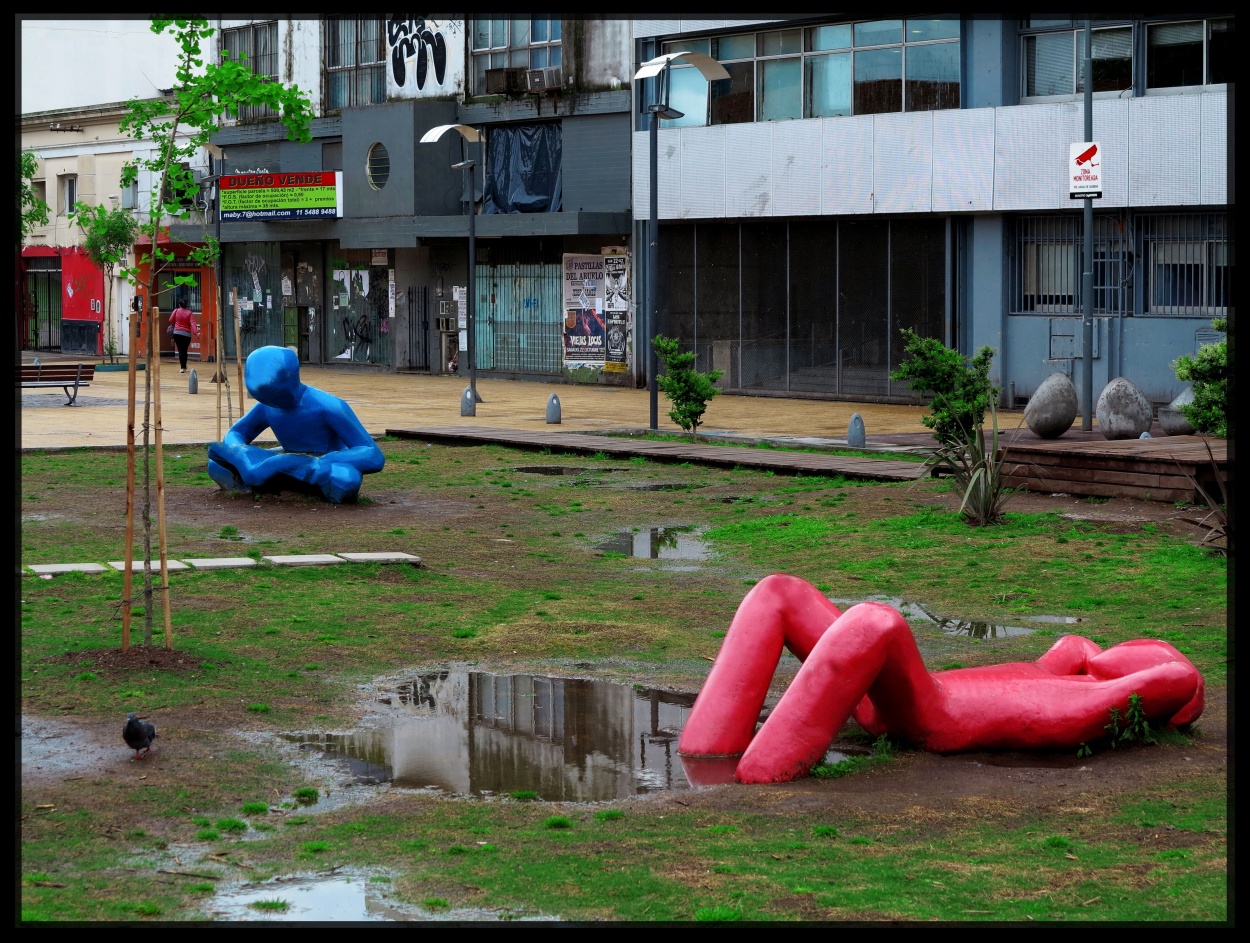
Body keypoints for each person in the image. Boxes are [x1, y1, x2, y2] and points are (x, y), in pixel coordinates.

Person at [678, 574, 1205, 784]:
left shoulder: (1088, 701)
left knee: (876, 622)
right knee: (778, 593)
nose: (1110, 655)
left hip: (937, 715)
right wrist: (1097, 657)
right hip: (901, 692)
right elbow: (1075, 647)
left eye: (1132, 656)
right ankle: (708, 750)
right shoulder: (1061, 666)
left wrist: (1125, 668)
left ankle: (763, 773)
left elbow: (1178, 677)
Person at [206, 346, 385, 504]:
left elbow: (372, 454)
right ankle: (276, 473)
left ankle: (270, 475)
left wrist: (321, 461)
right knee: (215, 466)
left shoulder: (328, 406)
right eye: (265, 399)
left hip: (321, 461)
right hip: (287, 456)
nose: (272, 404)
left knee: (347, 479)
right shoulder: (267, 406)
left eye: (276, 398)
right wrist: (240, 449)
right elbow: (236, 433)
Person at [167, 295, 199, 374]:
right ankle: (184, 366)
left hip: (177, 333)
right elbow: (193, 324)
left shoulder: (176, 311)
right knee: (184, 350)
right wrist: (196, 333)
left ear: (179, 305)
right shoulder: (189, 313)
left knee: (180, 350)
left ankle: (183, 367)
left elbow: (170, 320)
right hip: (186, 335)